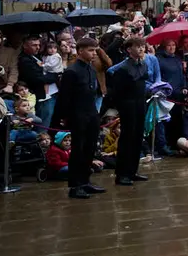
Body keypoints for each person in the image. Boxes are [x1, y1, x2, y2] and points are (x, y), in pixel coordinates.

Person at [53, 37, 105, 200]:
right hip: (77, 115)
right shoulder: (72, 71)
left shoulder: (90, 69)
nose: (94, 53)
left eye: (95, 50)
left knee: (90, 149)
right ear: (80, 51)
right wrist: (62, 118)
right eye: (90, 50)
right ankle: (75, 185)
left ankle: (85, 181)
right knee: (78, 150)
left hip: (91, 113)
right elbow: (64, 97)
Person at [107, 36, 151, 186]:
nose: (141, 49)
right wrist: (123, 107)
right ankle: (122, 174)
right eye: (137, 46)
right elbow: (117, 92)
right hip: (128, 105)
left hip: (140, 104)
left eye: (142, 46)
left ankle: (133, 170)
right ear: (129, 49)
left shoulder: (143, 64)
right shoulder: (123, 68)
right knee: (127, 138)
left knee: (138, 137)